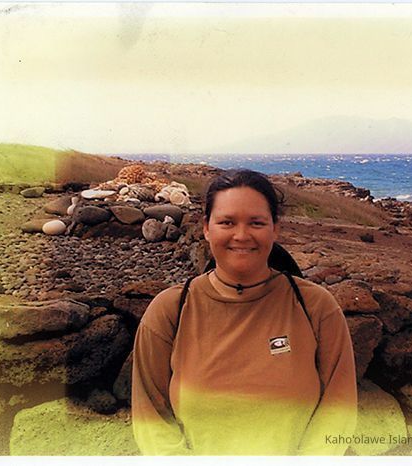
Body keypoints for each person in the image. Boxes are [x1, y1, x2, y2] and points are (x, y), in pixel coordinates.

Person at [131, 169, 357, 455]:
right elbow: (151, 419)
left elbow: (338, 410)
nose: (241, 235)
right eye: (227, 222)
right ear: (206, 228)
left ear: (275, 229)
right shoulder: (170, 310)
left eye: (256, 223)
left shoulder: (316, 307)